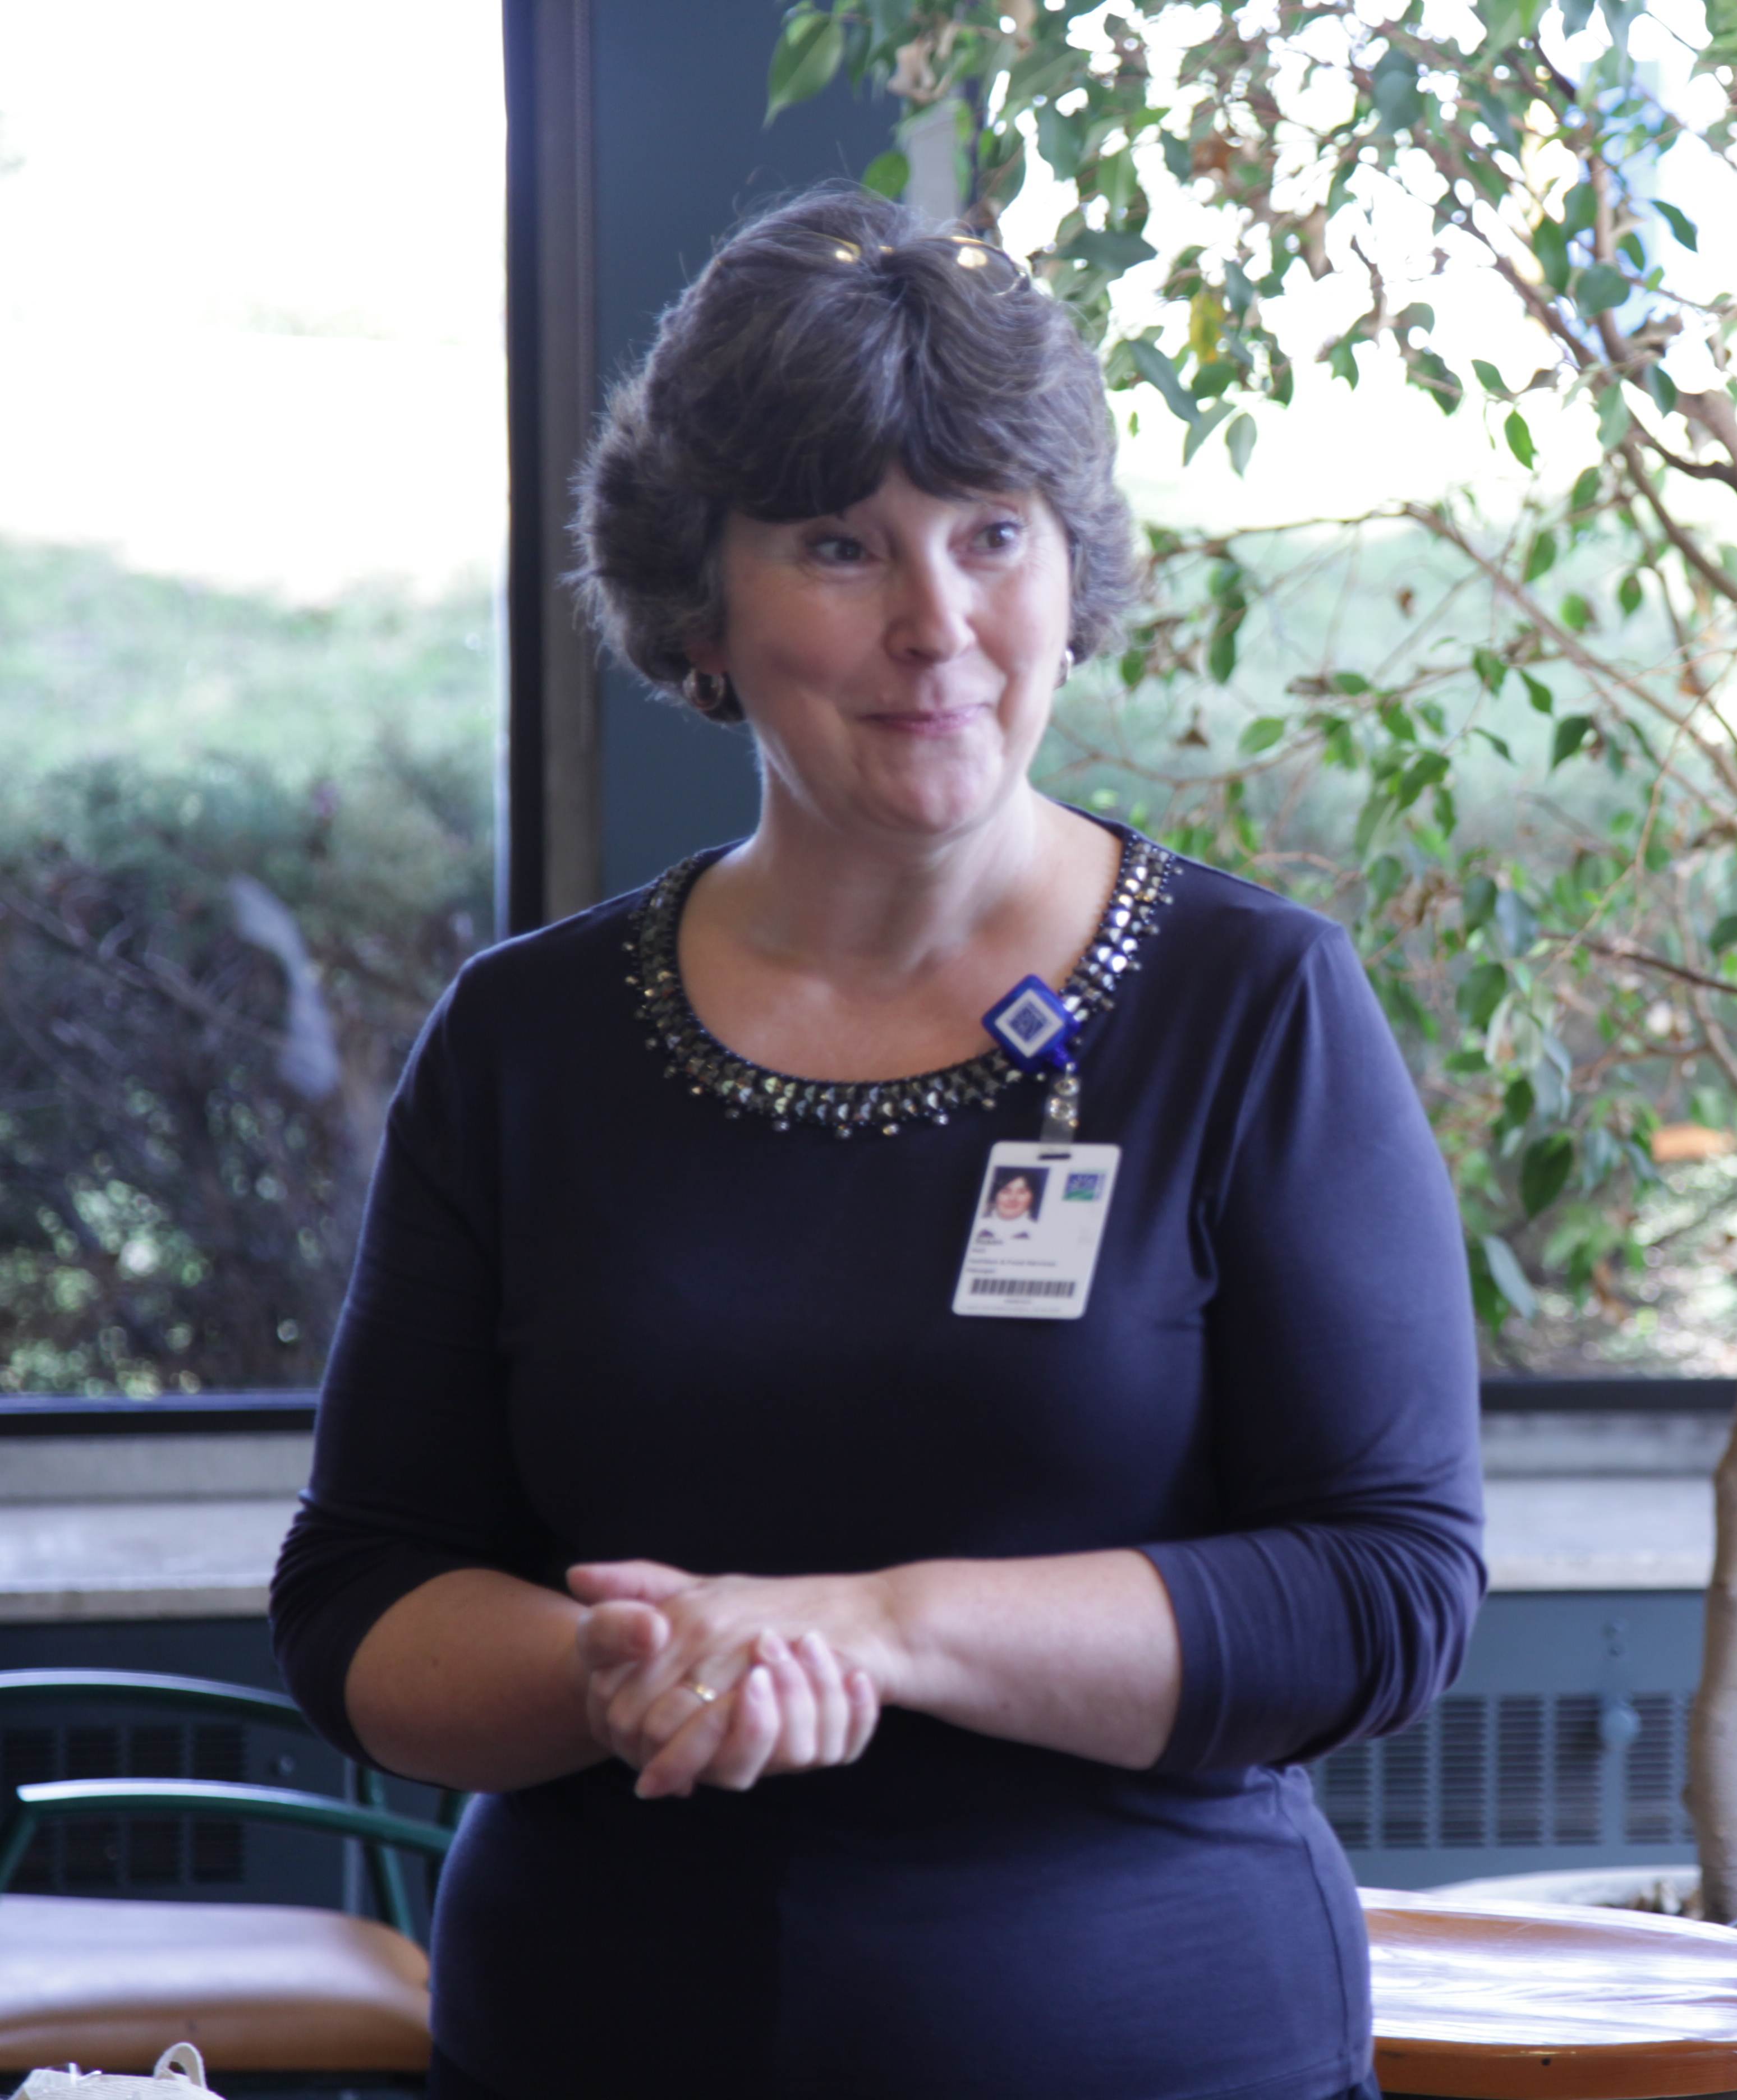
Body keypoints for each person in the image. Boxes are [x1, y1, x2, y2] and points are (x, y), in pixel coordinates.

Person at [269, 186, 1483, 2100]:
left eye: (993, 534)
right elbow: (362, 1597)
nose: (938, 629)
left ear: (1073, 566)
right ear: (701, 605)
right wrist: (616, 1670)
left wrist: (876, 1631)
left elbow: (1384, 1590)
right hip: (588, 2047)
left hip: (1157, 2047)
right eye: (840, 546)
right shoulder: (525, 1042)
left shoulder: (1255, 1005)